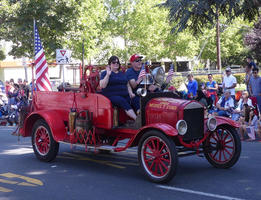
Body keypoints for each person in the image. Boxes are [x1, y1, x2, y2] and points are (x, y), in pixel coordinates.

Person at [99, 56, 139, 120]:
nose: (116, 64)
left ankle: (141, 116)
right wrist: (108, 75)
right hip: (111, 96)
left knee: (136, 99)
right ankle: (136, 119)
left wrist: (131, 93)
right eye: (113, 62)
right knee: (122, 101)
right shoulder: (105, 73)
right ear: (109, 64)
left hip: (124, 94)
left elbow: (127, 84)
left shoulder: (122, 74)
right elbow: (102, 85)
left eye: (117, 62)